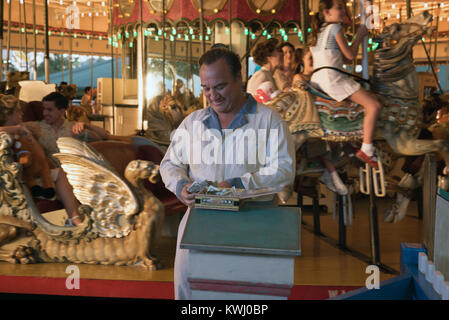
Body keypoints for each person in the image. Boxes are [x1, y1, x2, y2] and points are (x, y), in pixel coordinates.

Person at [160, 48, 295, 300]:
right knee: (193, 294)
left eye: (220, 86)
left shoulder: (269, 120)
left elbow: (284, 170)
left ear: (239, 80)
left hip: (253, 223)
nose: (213, 95)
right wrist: (180, 186)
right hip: (199, 224)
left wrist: (238, 185)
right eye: (206, 88)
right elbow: (169, 163)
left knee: (247, 296)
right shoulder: (193, 122)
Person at [310, 0, 382, 168]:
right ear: (327, 12)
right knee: (374, 106)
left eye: (343, 7)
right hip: (332, 78)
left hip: (319, 78)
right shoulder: (335, 28)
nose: (343, 11)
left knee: (360, 98)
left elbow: (340, 58)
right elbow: (349, 55)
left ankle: (351, 140)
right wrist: (360, 34)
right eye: (339, 8)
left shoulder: (322, 31)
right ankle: (367, 148)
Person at [0, 94, 86, 226]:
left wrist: (30, 138)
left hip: (31, 171)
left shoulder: (23, 128)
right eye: (18, 111)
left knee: (62, 174)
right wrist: (16, 129)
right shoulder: (8, 131)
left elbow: (40, 156)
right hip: (11, 176)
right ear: (8, 115)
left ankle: (74, 218)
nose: (21, 113)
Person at [292, 48, 348, 195]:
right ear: (302, 61)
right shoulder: (299, 77)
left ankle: (335, 168)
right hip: (308, 120)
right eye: (310, 57)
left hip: (324, 118)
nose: (314, 61)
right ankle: (332, 174)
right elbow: (306, 96)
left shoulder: (319, 78)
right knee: (317, 138)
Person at [246, 38, 283, 103]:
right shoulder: (261, 75)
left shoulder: (269, 75)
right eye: (278, 50)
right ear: (269, 57)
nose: (281, 54)